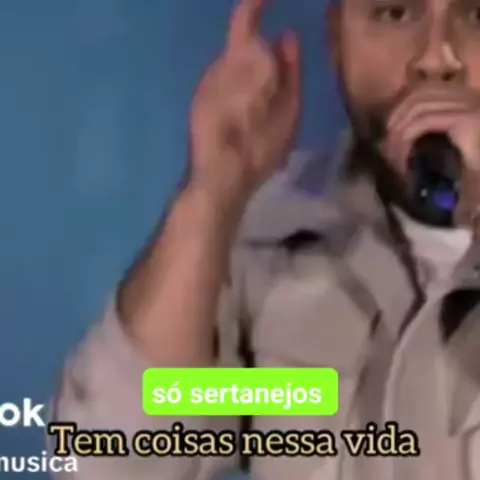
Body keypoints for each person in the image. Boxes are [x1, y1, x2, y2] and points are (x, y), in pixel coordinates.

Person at [50, 0, 480, 478]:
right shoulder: (271, 239)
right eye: (394, 13)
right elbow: (106, 461)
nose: (436, 59)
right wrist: (211, 192)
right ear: (336, 40)